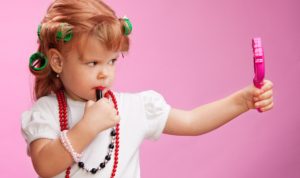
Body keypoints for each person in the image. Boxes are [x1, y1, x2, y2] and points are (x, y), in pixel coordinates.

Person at [21, 0, 274, 178]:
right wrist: (88, 127)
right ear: (57, 61)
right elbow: (44, 165)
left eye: (111, 61)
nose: (104, 72)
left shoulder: (135, 108)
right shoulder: (47, 111)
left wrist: (243, 101)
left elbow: (192, 120)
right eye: (92, 63)